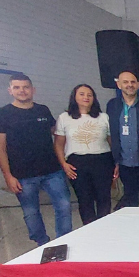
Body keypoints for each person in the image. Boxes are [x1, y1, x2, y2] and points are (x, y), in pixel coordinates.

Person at [0, 73, 71, 246]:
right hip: (22, 174)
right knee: (31, 212)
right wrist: (8, 175)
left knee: (64, 205)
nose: (22, 91)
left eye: (26, 87)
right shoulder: (1, 114)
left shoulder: (42, 110)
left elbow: (58, 134)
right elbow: (0, 147)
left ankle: (64, 241)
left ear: (33, 89)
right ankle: (42, 243)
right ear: (10, 90)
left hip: (52, 171)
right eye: (17, 87)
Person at [55, 84, 114, 224]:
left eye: (89, 94)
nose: (86, 97)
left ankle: (105, 228)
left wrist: (115, 162)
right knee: (85, 199)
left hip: (103, 161)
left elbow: (111, 142)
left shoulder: (103, 117)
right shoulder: (64, 118)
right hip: (77, 163)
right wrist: (64, 164)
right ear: (74, 97)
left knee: (104, 198)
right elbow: (58, 144)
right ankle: (89, 231)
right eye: (82, 94)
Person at [106, 70, 139, 208]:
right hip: (124, 162)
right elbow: (112, 133)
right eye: (126, 82)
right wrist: (115, 160)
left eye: (133, 82)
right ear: (119, 85)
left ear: (138, 84)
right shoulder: (112, 105)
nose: (130, 85)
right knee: (130, 199)